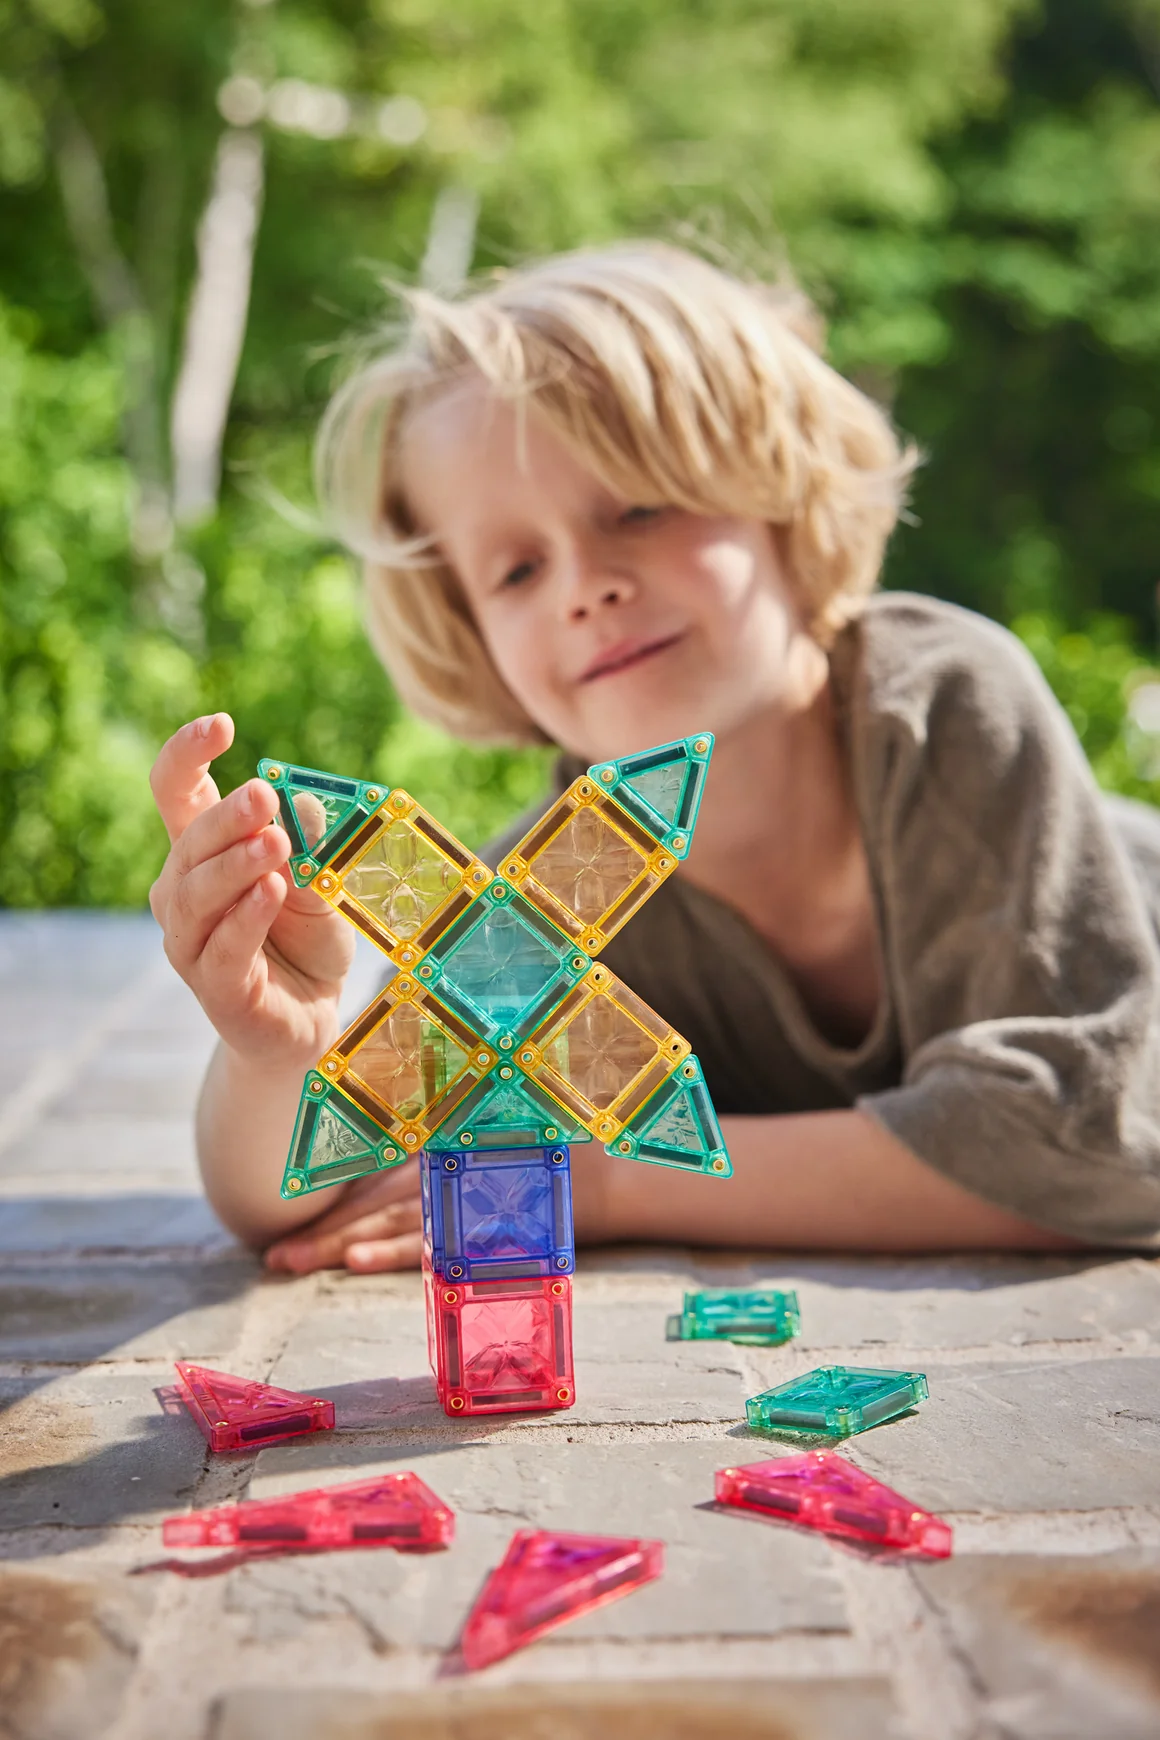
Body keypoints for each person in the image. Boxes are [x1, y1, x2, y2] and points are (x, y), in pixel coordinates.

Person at [148, 242, 1160, 1273]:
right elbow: (304, 1202)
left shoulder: (946, 706)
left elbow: (1087, 1148)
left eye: (637, 506)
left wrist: (616, 1178)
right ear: (469, 634)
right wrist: (280, 1054)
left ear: (779, 493)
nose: (583, 585)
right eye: (516, 569)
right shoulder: (533, 916)